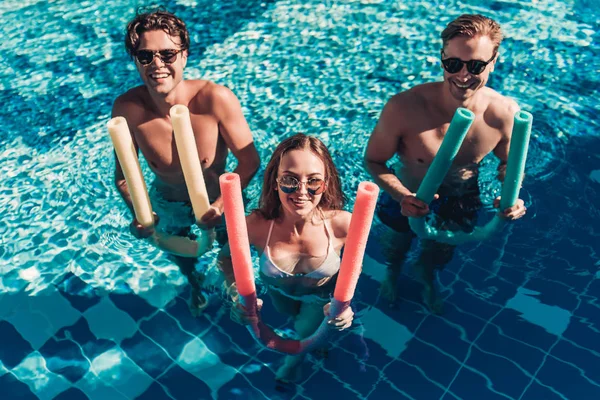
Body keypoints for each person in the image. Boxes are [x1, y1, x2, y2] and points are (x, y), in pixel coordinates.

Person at [364, 14, 527, 314]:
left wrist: (510, 195)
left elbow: (508, 165)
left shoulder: (503, 114)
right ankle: (393, 272)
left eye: (476, 65)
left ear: (494, 61)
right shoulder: (404, 108)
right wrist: (403, 196)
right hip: (406, 194)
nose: (463, 75)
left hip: (461, 196)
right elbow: (373, 160)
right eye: (453, 64)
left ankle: (426, 275)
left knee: (439, 253)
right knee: (396, 246)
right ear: (442, 58)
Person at [112, 9, 260, 313]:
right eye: (145, 56)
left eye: (167, 54)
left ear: (184, 56)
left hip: (220, 201)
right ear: (136, 61)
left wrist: (220, 206)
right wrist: (143, 214)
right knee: (184, 260)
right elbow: (124, 177)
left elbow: (249, 161)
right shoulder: (128, 109)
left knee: (232, 260)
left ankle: (240, 300)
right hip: (170, 207)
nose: (157, 65)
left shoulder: (214, 99)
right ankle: (193, 285)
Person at [218, 133, 354, 384]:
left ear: (326, 184)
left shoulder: (342, 225)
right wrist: (235, 291)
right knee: (294, 319)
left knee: (305, 332)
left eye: (313, 181)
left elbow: (353, 269)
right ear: (275, 182)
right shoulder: (256, 225)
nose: (301, 191)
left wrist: (345, 307)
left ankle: (293, 365)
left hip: (320, 299)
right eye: (290, 180)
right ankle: (316, 341)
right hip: (279, 293)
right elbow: (224, 259)